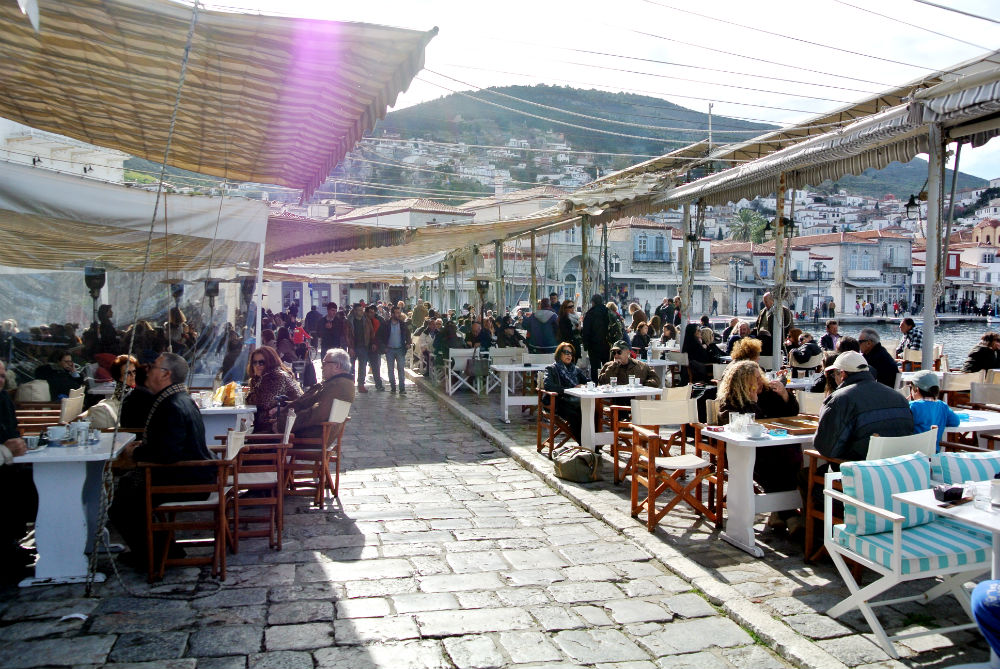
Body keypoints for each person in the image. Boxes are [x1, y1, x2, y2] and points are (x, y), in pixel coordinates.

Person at [109, 353, 215, 568]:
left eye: (153, 367)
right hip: (191, 474)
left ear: (166, 374)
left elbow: (168, 454)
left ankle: (154, 556)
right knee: (127, 492)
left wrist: (135, 454)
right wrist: (143, 448)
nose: (147, 371)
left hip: (188, 479)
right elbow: (168, 444)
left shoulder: (172, 404)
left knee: (122, 505)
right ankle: (166, 550)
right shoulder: (177, 399)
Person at [717, 360, 800, 531]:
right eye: (755, 378)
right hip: (743, 451)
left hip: (773, 446)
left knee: (792, 457)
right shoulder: (732, 399)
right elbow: (737, 425)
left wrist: (785, 395)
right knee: (775, 464)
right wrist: (752, 403)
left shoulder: (768, 393)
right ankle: (789, 514)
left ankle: (780, 513)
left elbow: (790, 413)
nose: (760, 381)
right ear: (744, 382)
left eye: (760, 376)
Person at [812, 351, 914, 461]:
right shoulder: (899, 397)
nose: (834, 379)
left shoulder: (840, 399)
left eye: (834, 375)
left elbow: (826, 448)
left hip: (860, 468)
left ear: (842, 374)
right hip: (897, 465)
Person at [0, 359, 37, 582]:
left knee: (35, 481)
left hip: (9, 466)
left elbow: (11, 431)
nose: (0, 380)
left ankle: (11, 543)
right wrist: (5, 451)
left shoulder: (3, 399)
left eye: (2, 376)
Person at [281, 349, 355, 439]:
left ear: (337, 366)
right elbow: (309, 403)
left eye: (324, 364)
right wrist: (285, 407)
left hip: (307, 436)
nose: (321, 367)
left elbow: (316, 414)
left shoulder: (338, 385)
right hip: (305, 432)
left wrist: (283, 424)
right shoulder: (337, 383)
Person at [246, 346, 302, 433]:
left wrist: (248, 396)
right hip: (271, 425)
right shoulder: (260, 378)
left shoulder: (276, 377)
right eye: (254, 362)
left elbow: (264, 402)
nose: (257, 365)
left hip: (281, 428)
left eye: (261, 362)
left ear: (270, 362)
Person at [542, 342, 590, 444]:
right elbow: (548, 386)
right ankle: (584, 443)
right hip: (558, 401)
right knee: (576, 415)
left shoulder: (576, 370)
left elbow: (587, 381)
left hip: (575, 401)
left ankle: (593, 442)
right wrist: (570, 389)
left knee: (593, 412)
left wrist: (587, 385)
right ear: (559, 354)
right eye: (566, 352)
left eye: (571, 353)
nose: (569, 355)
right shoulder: (551, 369)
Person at [907, 369, 961, 446]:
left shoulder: (912, 406)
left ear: (916, 389)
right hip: (933, 451)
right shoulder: (943, 406)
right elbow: (955, 422)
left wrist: (901, 405)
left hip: (912, 450)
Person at [379, 305, 412, 394]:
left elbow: (408, 334)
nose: (399, 315)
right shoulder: (386, 324)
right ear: (392, 314)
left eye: (399, 313)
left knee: (401, 369)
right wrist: (384, 347)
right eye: (397, 313)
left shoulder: (402, 324)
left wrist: (408, 343)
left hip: (400, 349)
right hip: (389, 350)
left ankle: (402, 388)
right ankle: (393, 387)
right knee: (390, 370)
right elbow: (380, 337)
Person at [581, 295, 612, 383]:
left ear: (593, 302)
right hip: (606, 344)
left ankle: (596, 383)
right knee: (607, 365)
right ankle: (607, 382)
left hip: (593, 345)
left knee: (595, 367)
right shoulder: (608, 312)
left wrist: (586, 345)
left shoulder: (590, 313)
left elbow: (586, 330)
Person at [346, 303, 372, 393]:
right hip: (353, 347)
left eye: (362, 310)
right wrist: (350, 347)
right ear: (355, 311)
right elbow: (347, 335)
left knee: (362, 367)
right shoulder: (349, 321)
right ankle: (351, 385)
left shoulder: (366, 320)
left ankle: (361, 385)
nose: (361, 312)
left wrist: (371, 343)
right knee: (351, 368)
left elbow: (371, 332)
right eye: (359, 310)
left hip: (363, 346)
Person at [365, 305, 386, 392]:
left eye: (373, 312)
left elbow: (380, 334)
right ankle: (360, 384)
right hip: (363, 346)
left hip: (374, 346)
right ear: (366, 313)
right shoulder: (362, 320)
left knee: (375, 366)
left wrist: (378, 344)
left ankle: (378, 384)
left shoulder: (378, 320)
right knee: (362, 366)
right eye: (370, 312)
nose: (372, 314)